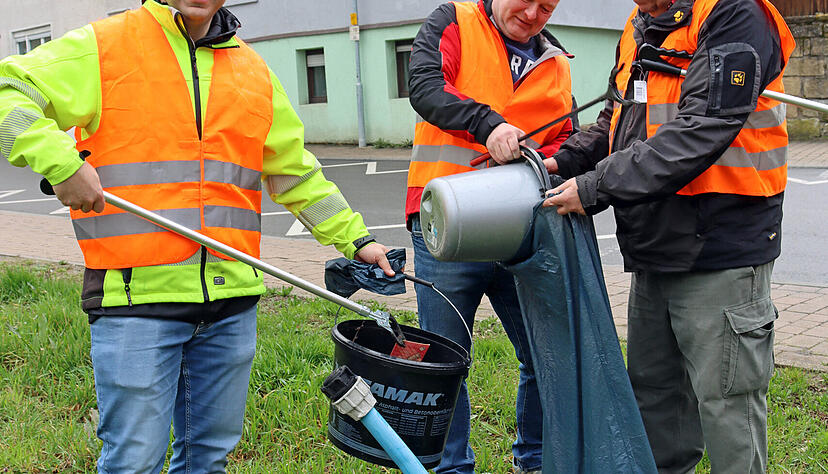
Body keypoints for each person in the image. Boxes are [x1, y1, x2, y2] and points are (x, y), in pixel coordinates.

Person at [0, 0, 393, 471]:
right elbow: (9, 91)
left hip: (230, 303)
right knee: (133, 463)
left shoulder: (253, 70)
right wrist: (61, 164)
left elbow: (295, 174)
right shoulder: (106, 45)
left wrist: (357, 240)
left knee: (207, 460)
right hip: (137, 301)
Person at [543, 0, 794, 472]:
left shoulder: (734, 13)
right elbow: (618, 121)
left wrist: (596, 187)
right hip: (654, 246)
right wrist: (564, 161)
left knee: (728, 409)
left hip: (721, 247)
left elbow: (704, 126)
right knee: (655, 403)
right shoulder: (639, 23)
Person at [406, 0, 573, 472]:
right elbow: (425, 87)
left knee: (546, 352)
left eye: (547, 6)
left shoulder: (557, 62)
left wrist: (558, 163)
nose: (534, 14)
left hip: (521, 228)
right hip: (447, 225)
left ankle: (534, 460)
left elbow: (567, 135)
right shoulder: (454, 21)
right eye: (527, 0)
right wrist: (489, 124)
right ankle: (452, 468)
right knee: (444, 363)